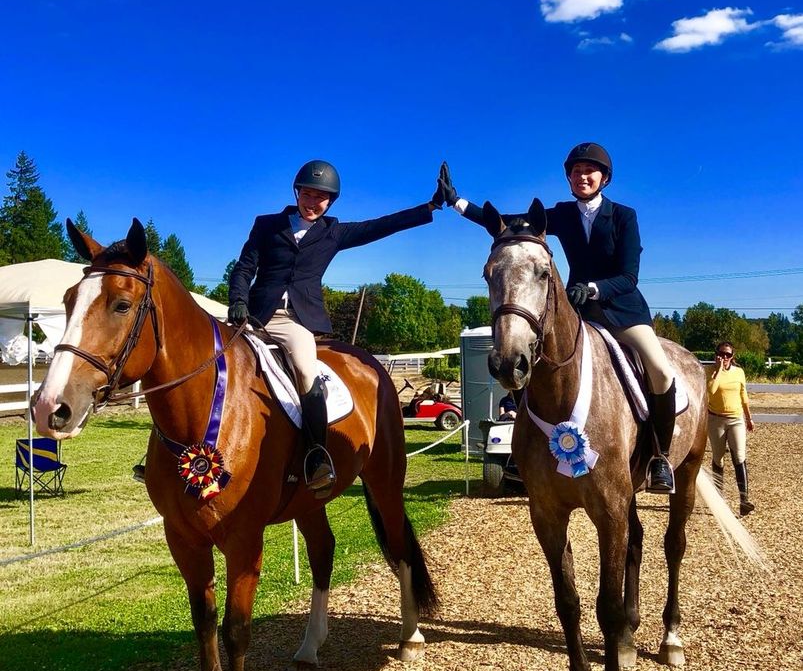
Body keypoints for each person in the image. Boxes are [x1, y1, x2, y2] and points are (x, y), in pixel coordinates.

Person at [442, 143, 677, 493]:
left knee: (659, 369)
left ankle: (660, 456)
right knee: (533, 363)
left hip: (623, 311)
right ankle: (528, 453)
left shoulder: (624, 216)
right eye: (576, 171)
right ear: (568, 178)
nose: (583, 176)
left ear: (604, 178)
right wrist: (458, 203)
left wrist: (595, 288)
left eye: (589, 171)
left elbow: (629, 276)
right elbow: (510, 222)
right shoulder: (564, 214)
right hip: (577, 315)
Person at [228, 159, 448, 497]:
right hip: (255, 316)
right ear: (297, 192)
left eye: (321, 197)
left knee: (305, 370)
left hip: (295, 322)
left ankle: (316, 454)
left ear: (330, 202)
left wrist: (430, 206)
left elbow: (381, 225)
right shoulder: (267, 225)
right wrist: (238, 301)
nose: (313, 202)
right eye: (308, 193)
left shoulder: (333, 232)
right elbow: (244, 267)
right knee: (208, 356)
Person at [706, 341, 755, 515]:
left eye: (728, 355)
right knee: (718, 458)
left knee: (739, 457)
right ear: (716, 354)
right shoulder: (709, 372)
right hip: (716, 420)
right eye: (721, 354)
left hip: (736, 419)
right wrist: (719, 370)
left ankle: (744, 500)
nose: (724, 357)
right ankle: (719, 498)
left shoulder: (739, 372)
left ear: (732, 357)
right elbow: (710, 391)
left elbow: (744, 395)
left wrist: (749, 418)